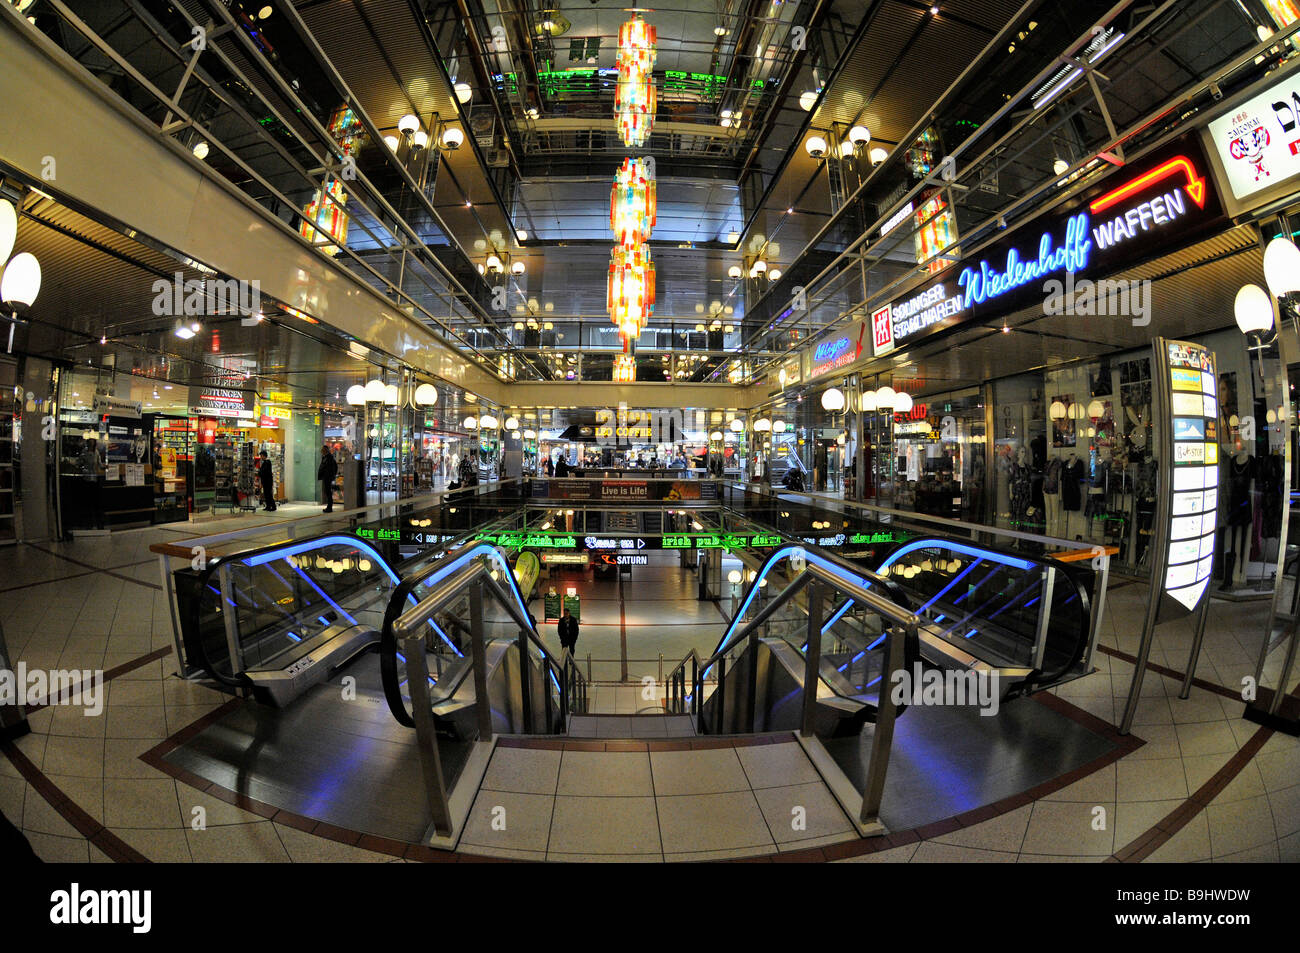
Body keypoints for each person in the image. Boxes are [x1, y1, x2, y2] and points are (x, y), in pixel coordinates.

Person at [78, 437, 105, 529]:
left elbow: (100, 464)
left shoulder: (96, 452)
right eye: (90, 443)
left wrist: (104, 467)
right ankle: (88, 524)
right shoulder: (84, 452)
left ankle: (97, 524)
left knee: (95, 503)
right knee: (87, 503)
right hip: (86, 479)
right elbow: (79, 462)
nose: (91, 444)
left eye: (93, 443)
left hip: (94, 479)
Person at [318, 444, 338, 513]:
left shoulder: (329, 458)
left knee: (328, 492)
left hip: (327, 478)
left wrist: (330, 476)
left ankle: (329, 507)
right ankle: (329, 507)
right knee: (327, 492)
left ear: (325, 450)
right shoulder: (326, 457)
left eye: (322, 450)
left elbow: (333, 467)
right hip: (326, 477)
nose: (321, 451)